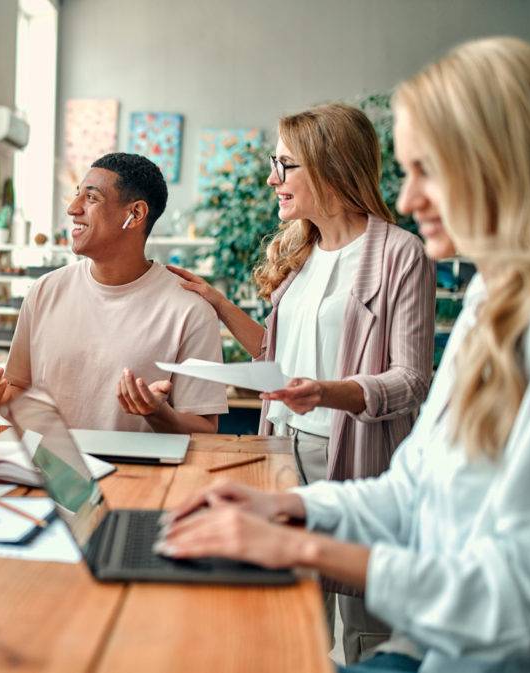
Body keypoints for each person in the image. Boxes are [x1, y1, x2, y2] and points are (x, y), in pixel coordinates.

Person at [157, 36, 530, 673]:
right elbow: (411, 490)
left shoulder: (403, 256)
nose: (410, 199)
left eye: (428, 169)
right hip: (294, 453)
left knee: (350, 633)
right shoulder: (486, 306)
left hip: (358, 470)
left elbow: (513, 606)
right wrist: (287, 509)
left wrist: (300, 544)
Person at [166, 103, 437, 660]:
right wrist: (217, 303)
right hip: (282, 453)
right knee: (289, 617)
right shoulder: (301, 251)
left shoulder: (400, 255)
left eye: (285, 165)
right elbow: (276, 357)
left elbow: (411, 379)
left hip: (361, 460)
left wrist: (327, 392)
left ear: (329, 165)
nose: (272, 178)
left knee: (369, 628)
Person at [0, 153, 227, 434]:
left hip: (141, 476)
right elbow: (19, 396)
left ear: (134, 214)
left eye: (91, 198)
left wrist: (159, 415)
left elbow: (205, 429)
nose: (73, 209)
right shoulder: (45, 291)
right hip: (53, 472)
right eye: (76, 195)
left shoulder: (190, 310)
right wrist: (0, 396)